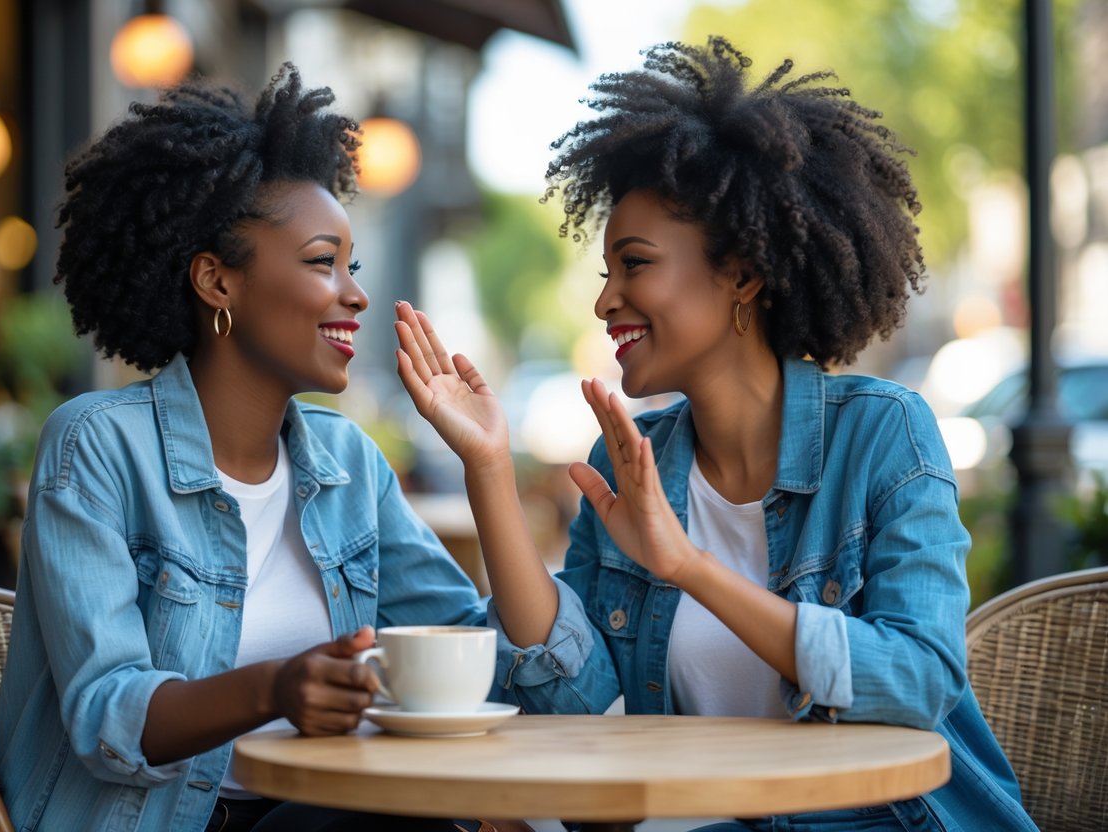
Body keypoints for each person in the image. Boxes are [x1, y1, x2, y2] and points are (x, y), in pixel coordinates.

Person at [393, 38, 1038, 831]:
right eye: (606, 273)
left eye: (634, 265)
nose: (606, 303)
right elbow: (572, 696)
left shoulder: (882, 435)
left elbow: (916, 681)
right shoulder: (633, 462)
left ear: (740, 274)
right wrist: (487, 464)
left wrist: (688, 567)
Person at [0, 65, 520, 832]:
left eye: (354, 265)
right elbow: (107, 715)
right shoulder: (98, 446)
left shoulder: (347, 465)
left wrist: (489, 467)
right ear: (216, 281)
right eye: (320, 261)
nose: (355, 294)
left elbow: (483, 661)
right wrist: (271, 689)